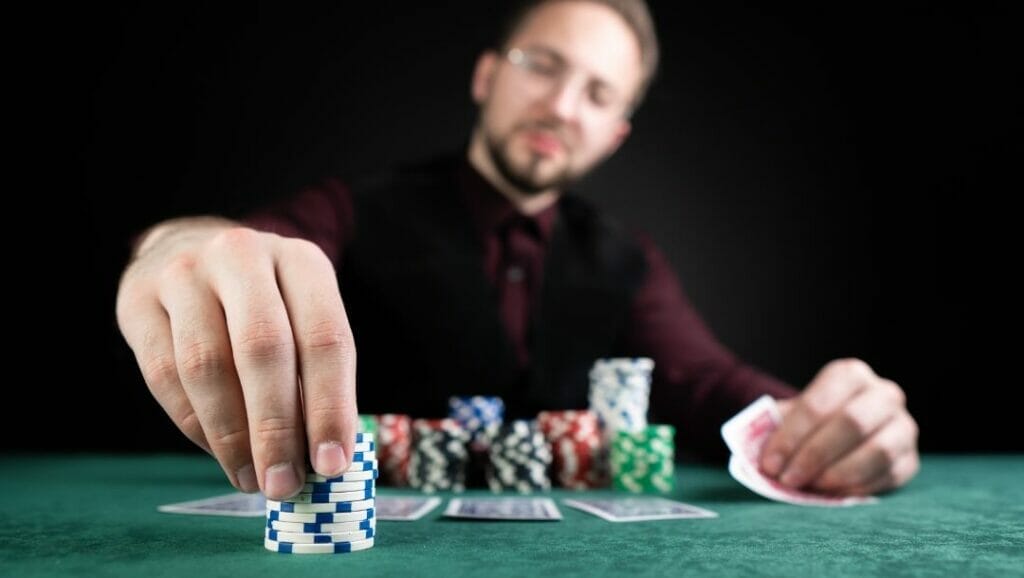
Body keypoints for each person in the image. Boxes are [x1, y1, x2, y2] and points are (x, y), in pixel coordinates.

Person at [115, 0, 919, 501]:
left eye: (599, 92)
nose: (564, 105)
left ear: (615, 134)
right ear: (486, 75)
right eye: (544, 66)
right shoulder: (353, 209)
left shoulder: (625, 259)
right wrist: (177, 245)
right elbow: (246, 244)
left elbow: (710, 386)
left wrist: (831, 422)